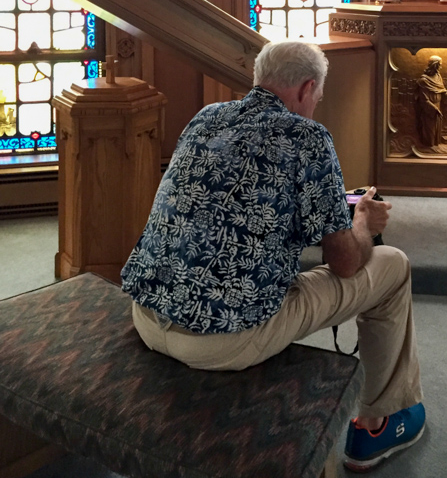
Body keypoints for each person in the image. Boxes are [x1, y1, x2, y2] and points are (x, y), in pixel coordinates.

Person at [121, 40, 425, 472]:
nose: (315, 107)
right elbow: (345, 264)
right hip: (223, 339)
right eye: (318, 98)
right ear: (306, 88)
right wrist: (362, 223)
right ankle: (378, 425)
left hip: (148, 316)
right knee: (392, 264)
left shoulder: (207, 116)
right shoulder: (308, 136)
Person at [415, 55, 447, 147]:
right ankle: (428, 147)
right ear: (435, 65)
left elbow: (441, 89)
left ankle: (435, 145)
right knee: (429, 129)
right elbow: (424, 100)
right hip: (429, 108)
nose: (441, 67)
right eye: (440, 65)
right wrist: (434, 109)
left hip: (438, 105)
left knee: (437, 128)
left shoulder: (438, 76)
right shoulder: (423, 81)